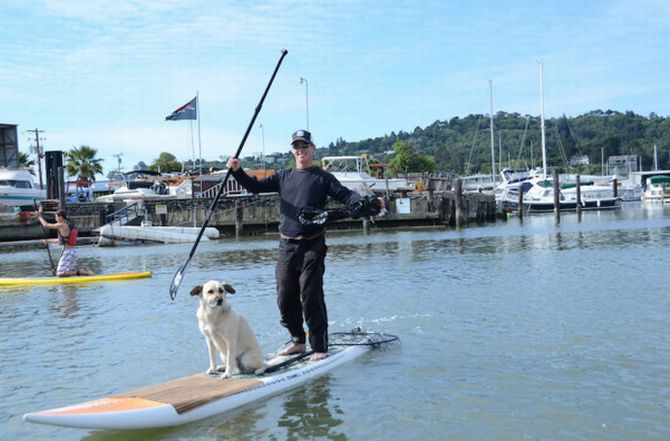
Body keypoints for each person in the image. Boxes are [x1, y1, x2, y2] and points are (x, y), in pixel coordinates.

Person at [227, 129, 383, 361]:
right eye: (296, 147)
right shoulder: (283, 176)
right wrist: (237, 171)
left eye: (304, 146)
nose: (300, 150)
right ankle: (298, 342)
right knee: (284, 296)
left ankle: (320, 346)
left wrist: (365, 202)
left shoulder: (323, 178)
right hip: (287, 247)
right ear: (293, 150)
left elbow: (346, 196)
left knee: (310, 295)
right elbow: (255, 187)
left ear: (313, 148)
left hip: (313, 245)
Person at [36, 209, 94, 277]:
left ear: (60, 217)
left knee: (60, 273)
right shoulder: (69, 225)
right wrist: (48, 241)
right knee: (66, 273)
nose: (55, 219)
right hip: (71, 252)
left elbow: (46, 225)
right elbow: (60, 240)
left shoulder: (62, 225)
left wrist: (39, 217)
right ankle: (75, 281)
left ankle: (81, 272)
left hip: (68, 252)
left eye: (56, 217)